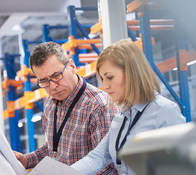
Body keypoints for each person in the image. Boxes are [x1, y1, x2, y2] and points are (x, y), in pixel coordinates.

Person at [71, 39, 186, 174]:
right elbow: (97, 158)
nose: (105, 86)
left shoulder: (165, 111)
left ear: (132, 73)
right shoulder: (121, 117)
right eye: (103, 79)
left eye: (110, 77)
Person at [14, 42, 117, 174]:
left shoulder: (99, 107)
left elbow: (108, 167)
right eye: (44, 81)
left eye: (56, 76)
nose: (52, 86)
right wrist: (27, 160)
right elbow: (54, 149)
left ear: (72, 66)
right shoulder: (51, 105)